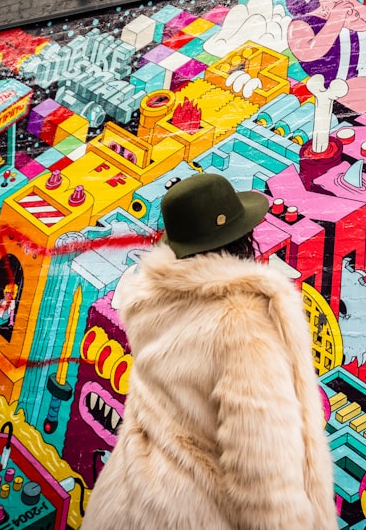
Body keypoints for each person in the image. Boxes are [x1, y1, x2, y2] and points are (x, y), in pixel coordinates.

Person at [82, 173, 338, 529]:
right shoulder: (240, 321)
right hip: (198, 515)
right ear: (243, 239)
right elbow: (263, 473)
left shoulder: (156, 307)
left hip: (131, 504)